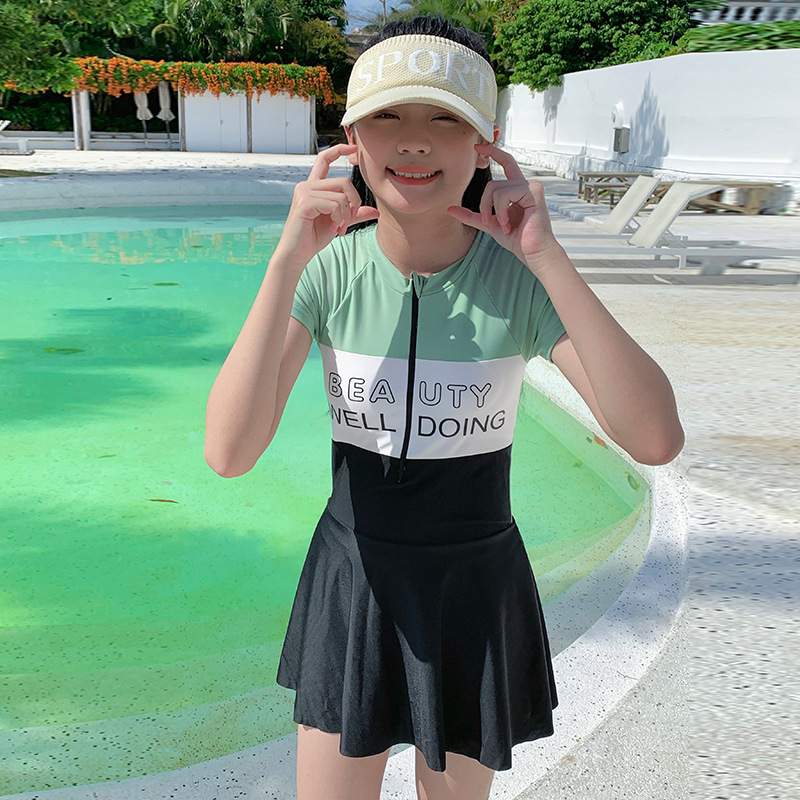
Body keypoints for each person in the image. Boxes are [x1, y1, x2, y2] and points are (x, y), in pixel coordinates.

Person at [204, 14, 685, 800]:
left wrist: (547, 257)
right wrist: (287, 259)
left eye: (444, 118)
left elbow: (655, 437)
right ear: (351, 139)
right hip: (352, 582)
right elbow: (229, 453)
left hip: (473, 590)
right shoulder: (330, 274)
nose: (415, 141)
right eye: (388, 115)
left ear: (486, 144)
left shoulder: (517, 283)